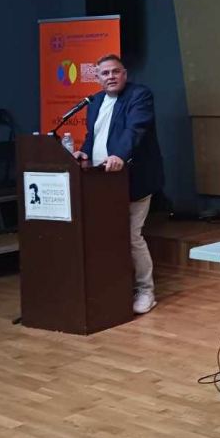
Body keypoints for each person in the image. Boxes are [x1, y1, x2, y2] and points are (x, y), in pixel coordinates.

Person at [75, 54, 165, 316]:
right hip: (101, 181)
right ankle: (113, 287)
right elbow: (94, 136)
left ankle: (146, 291)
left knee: (131, 236)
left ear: (125, 74)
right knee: (106, 236)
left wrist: (119, 155)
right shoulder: (94, 102)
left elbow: (135, 130)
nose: (111, 77)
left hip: (133, 178)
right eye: (105, 73)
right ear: (98, 78)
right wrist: (84, 152)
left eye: (115, 71)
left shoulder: (139, 96)